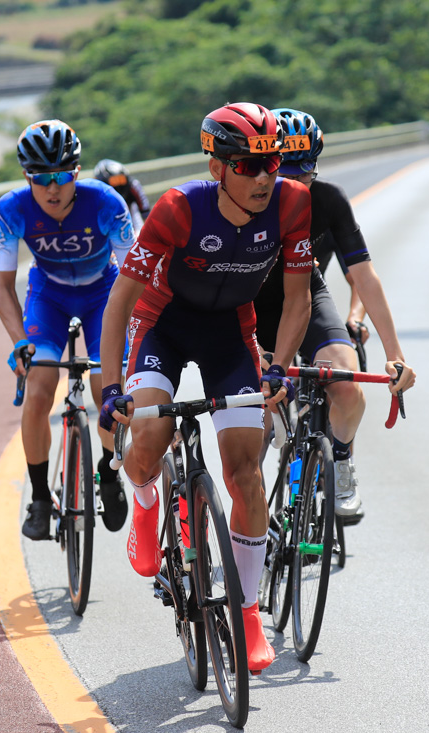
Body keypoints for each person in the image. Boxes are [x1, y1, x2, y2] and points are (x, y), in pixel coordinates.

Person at [99, 102, 313, 674]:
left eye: (272, 163)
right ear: (217, 167)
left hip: (230, 333)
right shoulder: (177, 209)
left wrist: (279, 368)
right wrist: (110, 386)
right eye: (247, 166)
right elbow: (120, 301)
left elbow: (298, 300)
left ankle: (246, 614)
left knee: (245, 472)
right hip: (162, 325)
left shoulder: (293, 202)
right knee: (149, 432)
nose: (265, 177)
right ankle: (147, 502)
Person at [253, 108, 416, 522]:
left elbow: (364, 276)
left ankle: (340, 464)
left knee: (346, 387)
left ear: (315, 169)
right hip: (249, 308)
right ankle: (252, 512)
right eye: (281, 177)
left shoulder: (328, 200)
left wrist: (395, 354)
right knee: (255, 431)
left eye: (302, 178)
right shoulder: (246, 201)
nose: (292, 188)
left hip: (307, 297)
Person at [0, 120, 134, 541]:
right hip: (49, 298)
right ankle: (40, 498)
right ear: (26, 177)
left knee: (106, 388)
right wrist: (19, 341)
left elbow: (137, 275)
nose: (52, 189)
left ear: (77, 172)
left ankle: (108, 472)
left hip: (103, 295)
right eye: (41, 179)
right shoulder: (13, 209)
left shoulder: (107, 202)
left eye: (62, 177)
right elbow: (3, 287)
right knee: (39, 386)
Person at [92, 159, 152, 232]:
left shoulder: (133, 185)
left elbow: (145, 212)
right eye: (114, 181)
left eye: (121, 179)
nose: (118, 186)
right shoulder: (95, 193)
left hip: (131, 216)